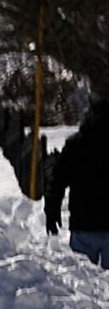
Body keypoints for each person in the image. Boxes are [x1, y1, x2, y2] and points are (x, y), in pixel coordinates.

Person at [47, 101, 109, 266]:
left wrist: (51, 211)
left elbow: (57, 181)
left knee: (84, 281)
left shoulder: (76, 144)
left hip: (83, 223)